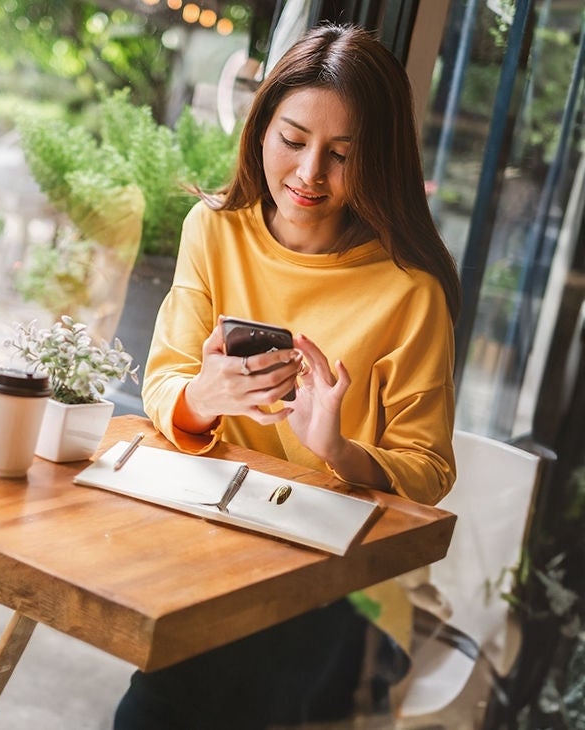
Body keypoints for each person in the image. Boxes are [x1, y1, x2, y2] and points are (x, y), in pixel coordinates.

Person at [120, 24, 461, 729]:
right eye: (293, 140)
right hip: (214, 551)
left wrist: (336, 449)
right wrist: (203, 398)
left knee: (216, 682)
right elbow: (165, 383)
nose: (309, 174)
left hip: (344, 582)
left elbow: (427, 469)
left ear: (381, 161)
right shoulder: (213, 231)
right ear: (259, 128)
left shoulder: (408, 292)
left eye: (342, 155)